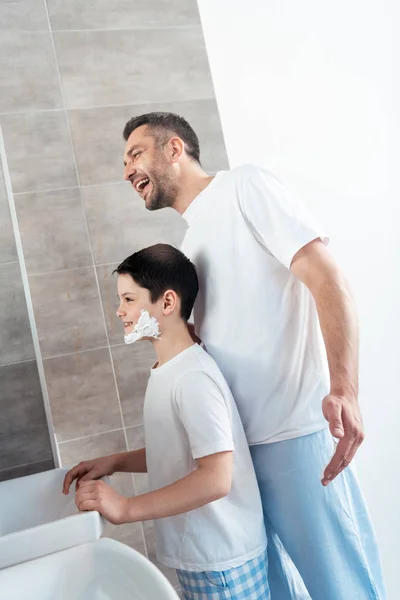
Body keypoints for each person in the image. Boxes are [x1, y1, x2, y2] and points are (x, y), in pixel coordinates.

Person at [120, 112, 386, 600]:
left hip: (293, 434)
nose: (126, 170)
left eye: (135, 154)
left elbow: (326, 277)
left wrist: (345, 389)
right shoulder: (189, 244)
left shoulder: (245, 187)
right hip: (239, 452)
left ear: (174, 149)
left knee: (342, 587)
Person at [63, 244, 269, 600]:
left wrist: (126, 508)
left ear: (168, 303)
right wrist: (115, 462)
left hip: (222, 562)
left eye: (129, 299)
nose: (119, 311)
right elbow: (182, 450)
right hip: (206, 557)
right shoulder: (170, 371)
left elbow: (216, 478)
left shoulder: (192, 378)